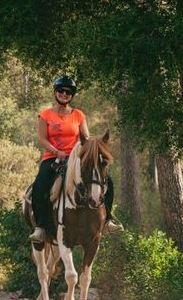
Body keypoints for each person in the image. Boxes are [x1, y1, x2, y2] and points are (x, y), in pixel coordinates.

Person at [28, 75, 121, 243]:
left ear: (72, 95)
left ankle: (108, 220)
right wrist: (57, 152)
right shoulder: (45, 115)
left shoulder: (78, 115)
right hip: (53, 158)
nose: (65, 94)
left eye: (68, 92)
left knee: (108, 182)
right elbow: (42, 139)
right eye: (61, 91)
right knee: (40, 185)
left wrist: (93, 147)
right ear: (56, 93)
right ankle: (40, 227)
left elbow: (85, 136)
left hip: (76, 158)